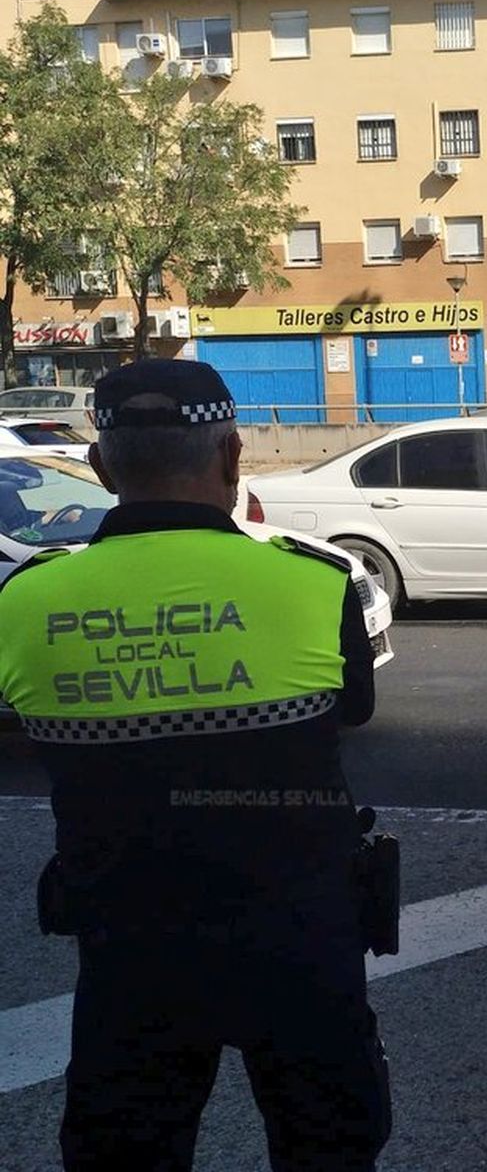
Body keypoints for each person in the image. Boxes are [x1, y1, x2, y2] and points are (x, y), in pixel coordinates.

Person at [0, 360, 390, 1172]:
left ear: (101, 469)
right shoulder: (312, 583)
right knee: (331, 1147)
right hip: (300, 944)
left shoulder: (23, 601)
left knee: (124, 1153)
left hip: (129, 950)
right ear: (233, 455)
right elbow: (353, 709)